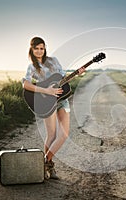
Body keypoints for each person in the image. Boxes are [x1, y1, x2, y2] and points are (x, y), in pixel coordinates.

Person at [23, 37, 84, 179]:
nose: (39, 51)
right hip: (46, 102)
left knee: (64, 134)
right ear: (32, 49)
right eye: (36, 48)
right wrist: (46, 91)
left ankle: (45, 161)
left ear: (45, 49)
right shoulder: (31, 66)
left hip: (62, 100)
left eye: (42, 48)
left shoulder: (53, 61)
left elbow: (63, 77)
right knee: (52, 135)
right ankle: (49, 166)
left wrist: (76, 74)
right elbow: (25, 85)